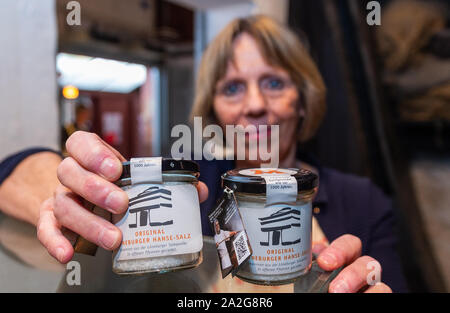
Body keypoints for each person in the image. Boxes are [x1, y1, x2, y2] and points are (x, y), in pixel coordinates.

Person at [20, 15, 405, 293]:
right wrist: (74, 198)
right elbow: (12, 167)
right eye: (233, 88)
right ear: (215, 108)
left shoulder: (364, 203)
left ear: (302, 101)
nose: (254, 105)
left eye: (273, 83)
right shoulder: (190, 188)